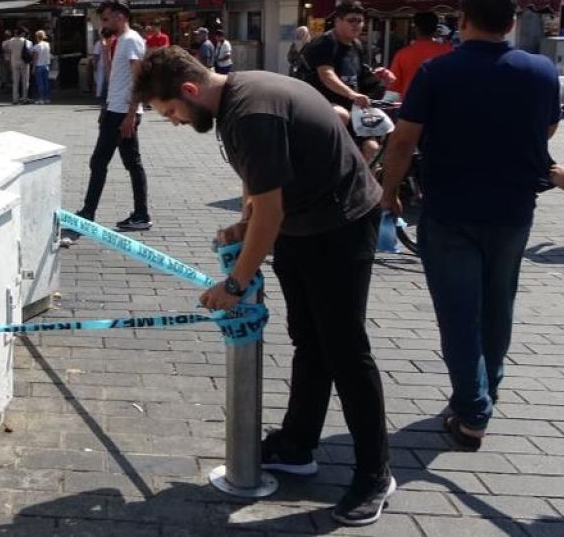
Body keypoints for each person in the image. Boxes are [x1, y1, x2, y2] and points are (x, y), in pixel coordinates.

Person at [134, 46, 393, 525]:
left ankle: (375, 473)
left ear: (190, 91)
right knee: (309, 341)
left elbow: (269, 208)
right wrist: (241, 225)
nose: (172, 121)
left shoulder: (249, 113)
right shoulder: (239, 96)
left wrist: (234, 283)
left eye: (170, 111)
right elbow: (262, 186)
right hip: (302, 223)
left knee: (345, 349)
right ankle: (297, 443)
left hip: (341, 223)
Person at [380, 0, 560, 454]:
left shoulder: (439, 72)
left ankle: (473, 411)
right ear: (514, 21)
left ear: (462, 20)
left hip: (450, 209)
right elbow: (549, 128)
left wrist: (388, 190)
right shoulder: (541, 71)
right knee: (497, 307)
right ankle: (484, 394)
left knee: (459, 315)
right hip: (514, 209)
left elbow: (402, 140)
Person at [67, 0, 151, 234]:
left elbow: (139, 79)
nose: (103, 23)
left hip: (121, 113)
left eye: (105, 19)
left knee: (100, 162)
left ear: (120, 17)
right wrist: (105, 48)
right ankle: (140, 214)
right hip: (116, 109)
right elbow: (114, 74)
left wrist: (130, 116)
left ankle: (89, 212)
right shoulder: (121, 41)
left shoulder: (132, 40)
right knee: (131, 163)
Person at [302, 1, 395, 162]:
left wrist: (380, 76)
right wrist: (351, 94)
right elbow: (326, 74)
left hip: (353, 108)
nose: (357, 25)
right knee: (341, 115)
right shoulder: (325, 42)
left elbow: (362, 76)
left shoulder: (357, 45)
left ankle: (364, 184)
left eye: (359, 20)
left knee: (372, 147)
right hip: (320, 103)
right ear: (338, 21)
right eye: (351, 20)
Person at [389, 13, 451, 100]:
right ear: (435, 29)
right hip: (442, 105)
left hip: (411, 106)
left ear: (416, 29)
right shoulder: (449, 51)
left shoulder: (402, 54)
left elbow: (393, 87)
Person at [4, 29, 31, 105]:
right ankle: (24, 98)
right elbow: (29, 50)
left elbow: (8, 51)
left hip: (14, 62)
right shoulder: (24, 41)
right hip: (23, 62)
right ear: (22, 33)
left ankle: (15, 99)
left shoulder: (11, 41)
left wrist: (9, 61)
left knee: (15, 81)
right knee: (25, 81)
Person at [32, 30, 53, 105]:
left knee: (40, 83)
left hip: (39, 65)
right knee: (46, 83)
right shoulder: (47, 44)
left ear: (37, 37)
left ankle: (41, 99)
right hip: (46, 65)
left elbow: (35, 58)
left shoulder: (36, 46)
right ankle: (47, 98)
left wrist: (33, 67)